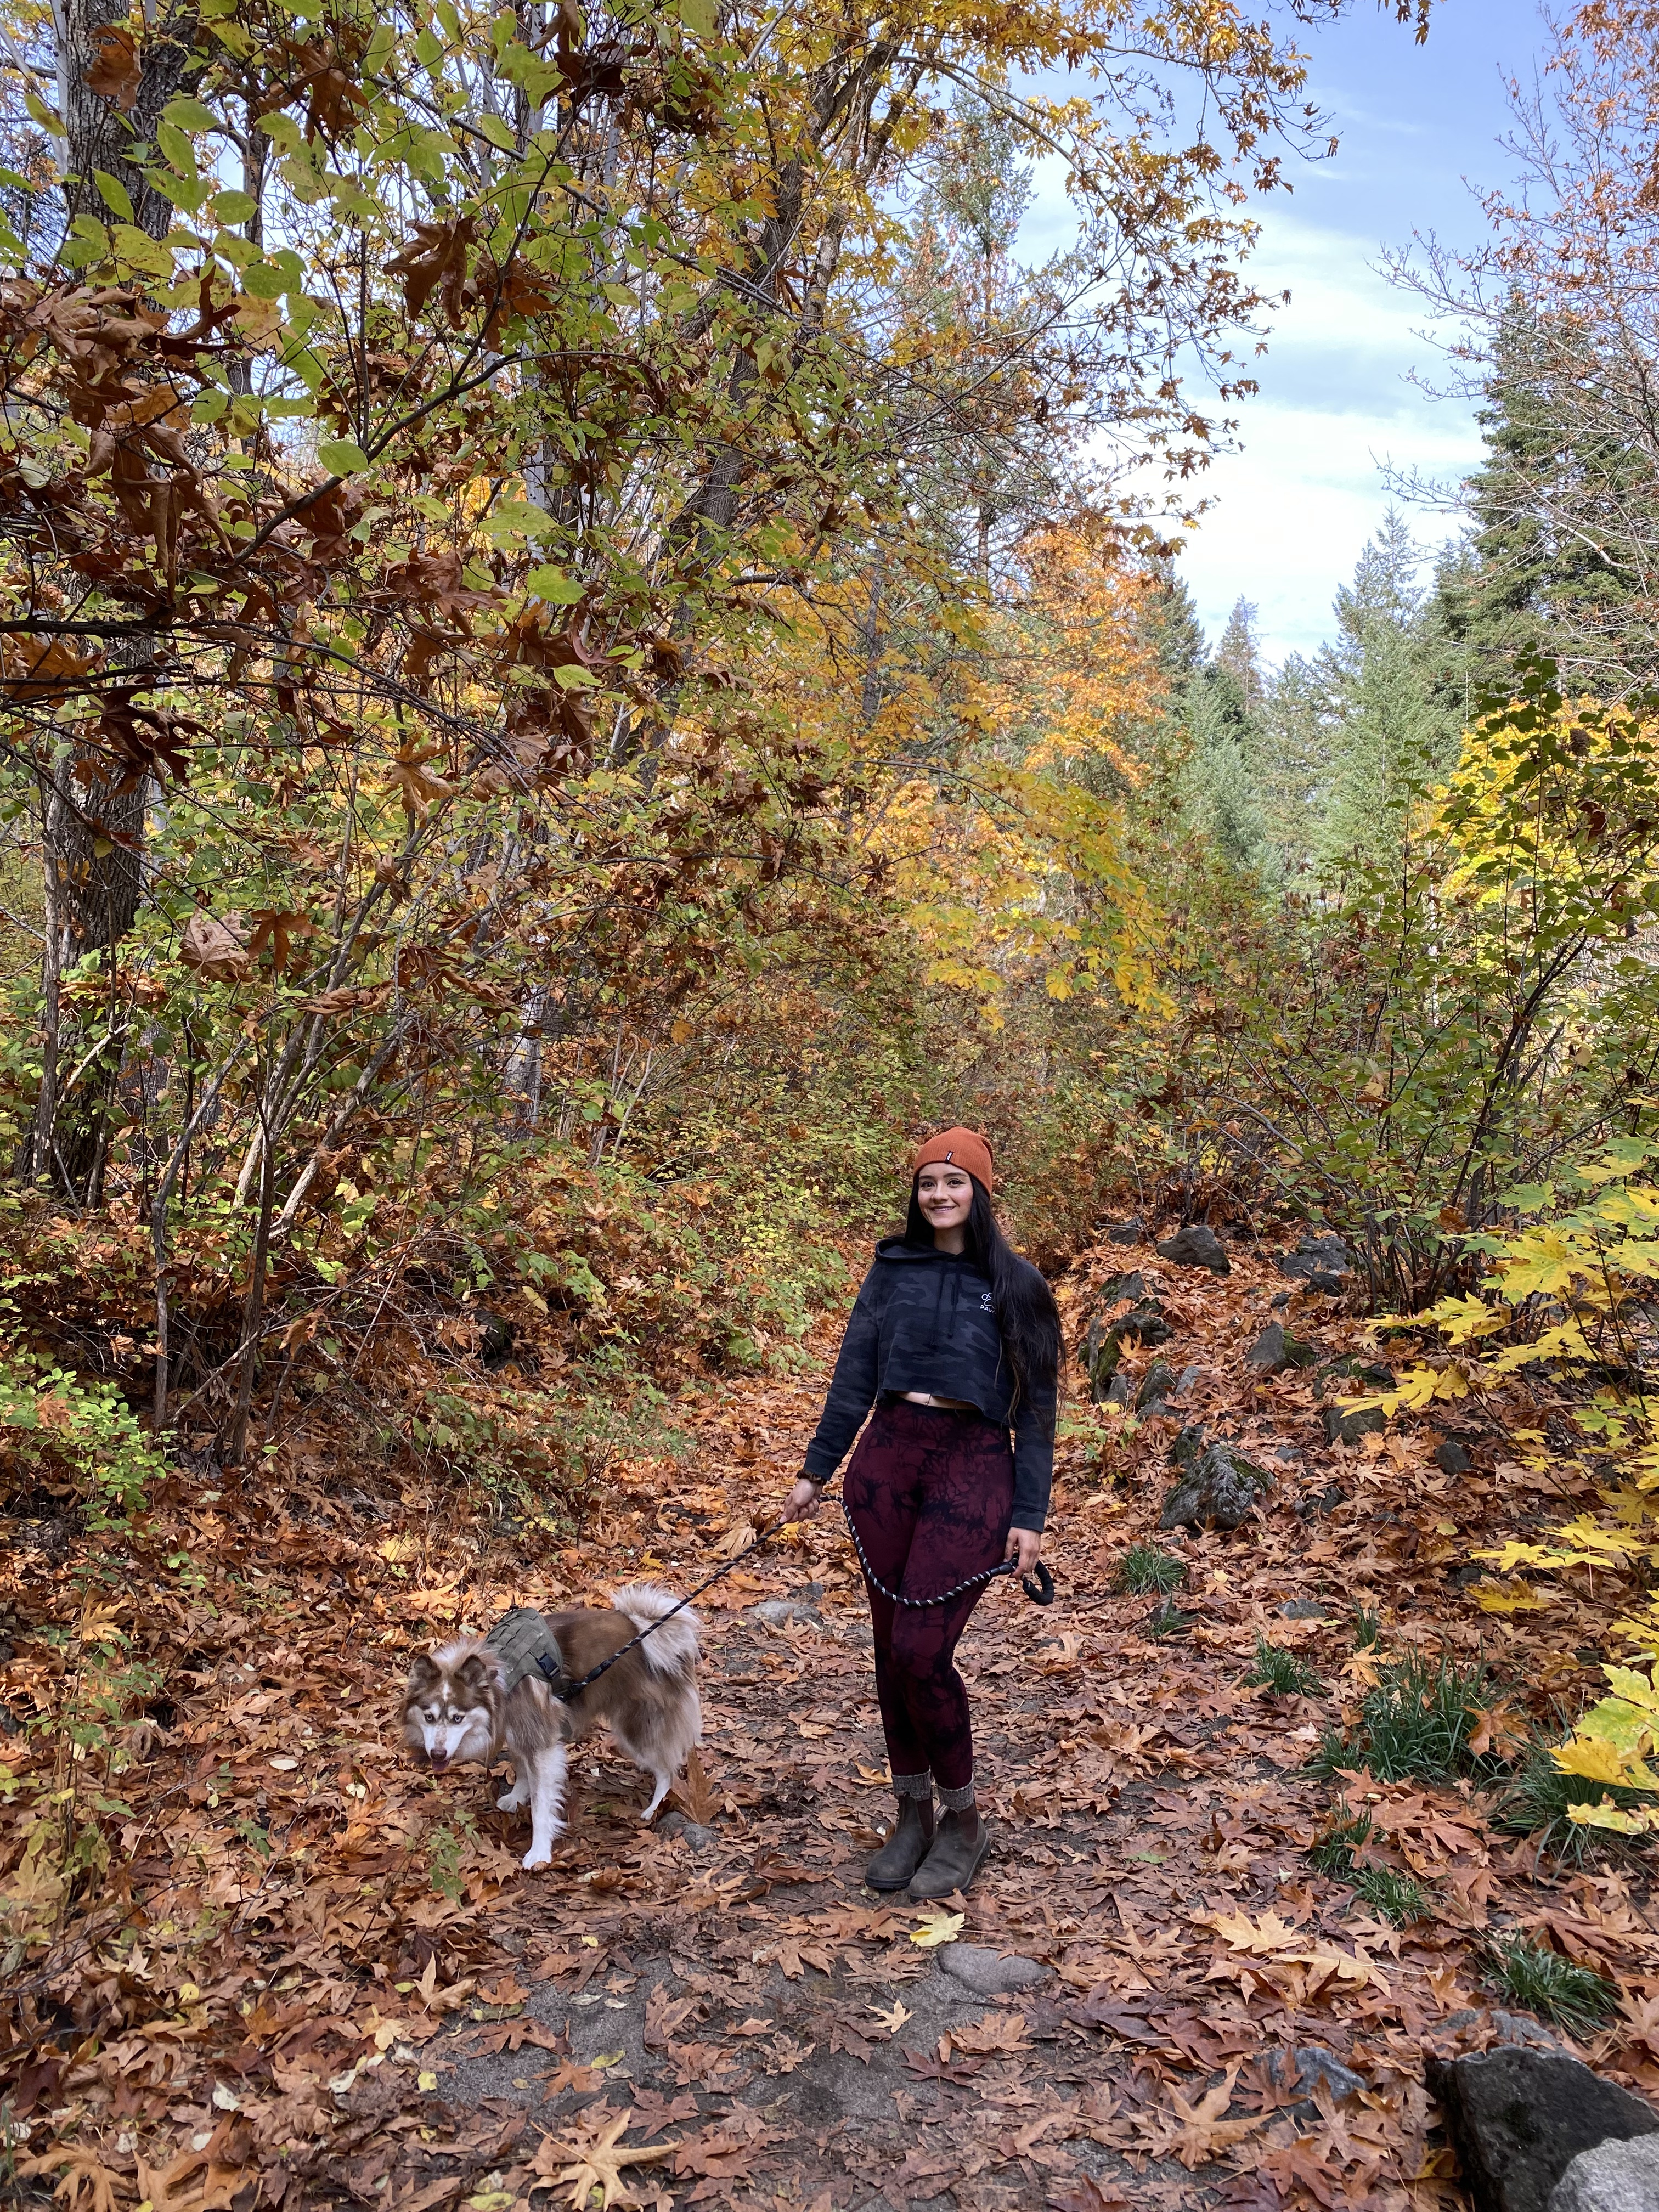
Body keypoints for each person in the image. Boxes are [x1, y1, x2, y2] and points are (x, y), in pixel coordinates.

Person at [783, 1127, 1062, 1900]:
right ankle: (911, 1811)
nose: (939, 1195)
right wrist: (817, 1470)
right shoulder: (890, 1270)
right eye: (927, 1183)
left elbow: (1037, 1415)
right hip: (887, 1462)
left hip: (974, 1466)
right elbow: (852, 1376)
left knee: (921, 1651)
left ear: (982, 1190)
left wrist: (1029, 1515)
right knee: (887, 1649)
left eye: (955, 1181)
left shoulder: (1019, 1286)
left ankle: (963, 1820)